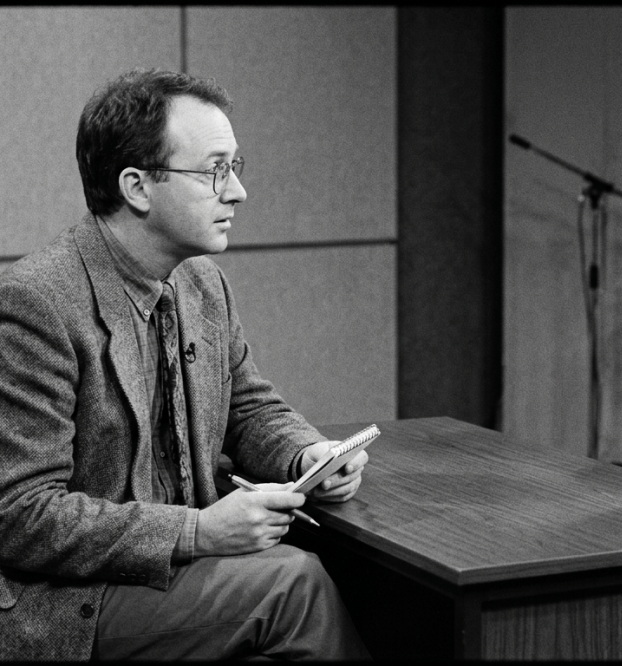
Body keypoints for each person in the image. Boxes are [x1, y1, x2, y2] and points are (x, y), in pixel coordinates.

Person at [0, 69, 370, 661]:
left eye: (235, 167)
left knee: (351, 571)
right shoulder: (36, 302)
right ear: (138, 187)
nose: (237, 192)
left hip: (176, 573)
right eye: (214, 170)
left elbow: (249, 408)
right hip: (70, 597)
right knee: (291, 586)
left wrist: (307, 456)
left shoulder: (202, 283)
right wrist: (197, 532)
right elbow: (20, 514)